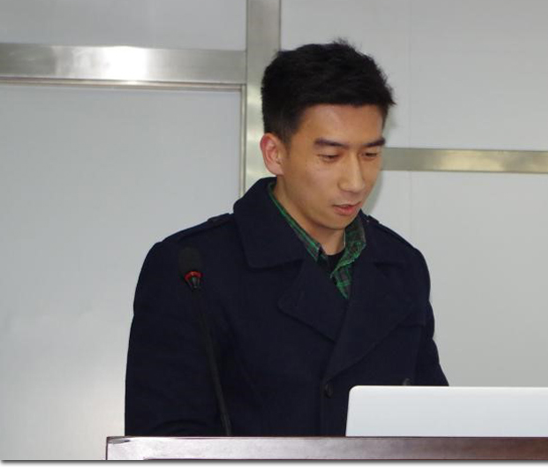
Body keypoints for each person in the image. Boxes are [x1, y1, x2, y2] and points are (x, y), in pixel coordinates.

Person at [124, 41, 448, 436]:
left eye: (369, 155)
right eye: (330, 156)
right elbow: (164, 444)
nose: (355, 181)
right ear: (275, 153)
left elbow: (433, 424)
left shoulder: (402, 267)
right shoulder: (194, 269)